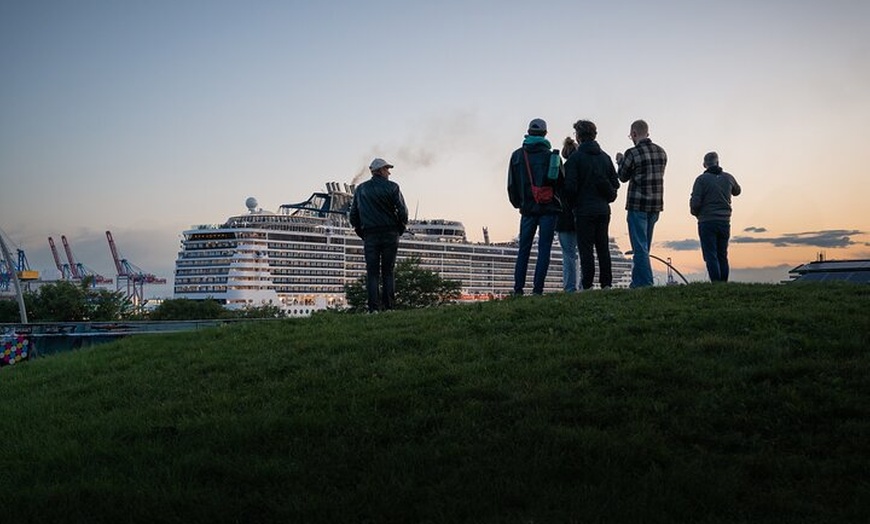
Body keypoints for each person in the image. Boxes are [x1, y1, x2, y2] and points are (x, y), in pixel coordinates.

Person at [507, 118, 562, 295]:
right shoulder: (552, 156)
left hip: (527, 210)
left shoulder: (517, 155)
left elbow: (511, 185)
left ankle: (518, 289)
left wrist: (520, 204)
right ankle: (538, 289)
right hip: (549, 208)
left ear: (528, 132)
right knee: (544, 248)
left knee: (524, 248)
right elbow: (561, 183)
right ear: (545, 134)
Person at [563, 120, 620, 290]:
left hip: (583, 210)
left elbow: (570, 188)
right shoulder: (605, 157)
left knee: (586, 249)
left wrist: (573, 203)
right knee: (603, 247)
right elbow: (615, 184)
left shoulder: (575, 159)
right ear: (595, 135)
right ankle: (606, 283)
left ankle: (587, 285)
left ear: (578, 137)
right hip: (603, 209)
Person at [349, 158, 409, 312]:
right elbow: (403, 211)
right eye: (387, 169)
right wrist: (400, 228)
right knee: (388, 271)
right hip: (390, 232)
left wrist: (360, 231)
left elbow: (353, 215)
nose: (389, 172)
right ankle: (389, 307)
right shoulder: (393, 187)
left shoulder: (360, 189)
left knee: (372, 273)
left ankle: (373, 309)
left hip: (370, 234)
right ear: (381, 170)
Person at [616, 119, 667, 288]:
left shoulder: (632, 153)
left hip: (637, 204)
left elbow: (623, 177)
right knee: (644, 247)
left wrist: (620, 161)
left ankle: (645, 283)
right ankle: (637, 283)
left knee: (639, 247)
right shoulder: (662, 152)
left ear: (634, 134)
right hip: (655, 205)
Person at [690, 151, 741, 282]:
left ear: (704, 165)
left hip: (706, 221)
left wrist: (696, 214)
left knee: (710, 255)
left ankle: (716, 283)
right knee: (722, 254)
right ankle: (723, 283)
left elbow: (695, 203)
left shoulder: (701, 180)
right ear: (718, 162)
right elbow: (737, 191)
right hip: (724, 221)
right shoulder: (728, 178)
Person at [556, 136, 580, 292]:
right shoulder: (581, 169)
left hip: (564, 217)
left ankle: (569, 287)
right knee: (584, 253)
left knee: (568, 255)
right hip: (581, 214)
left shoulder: (560, 171)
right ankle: (585, 285)